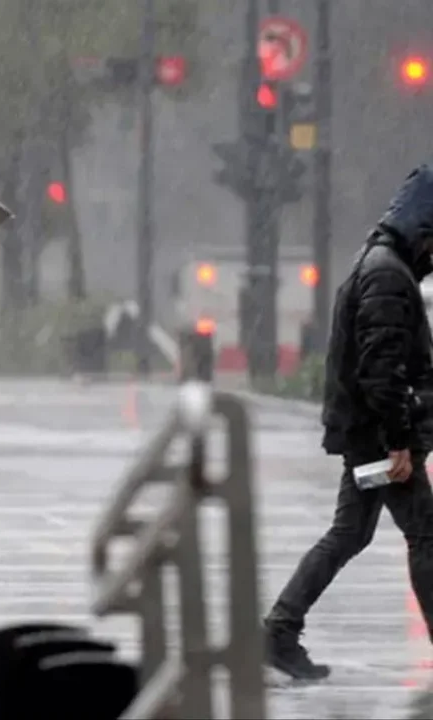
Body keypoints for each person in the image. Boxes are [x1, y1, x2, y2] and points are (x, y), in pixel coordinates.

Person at [264, 165, 433, 680]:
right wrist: (399, 442)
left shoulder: (378, 263)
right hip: (380, 440)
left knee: (350, 532)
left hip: (370, 436)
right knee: (426, 535)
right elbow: (382, 368)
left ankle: (279, 629)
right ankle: (278, 628)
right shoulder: (386, 274)